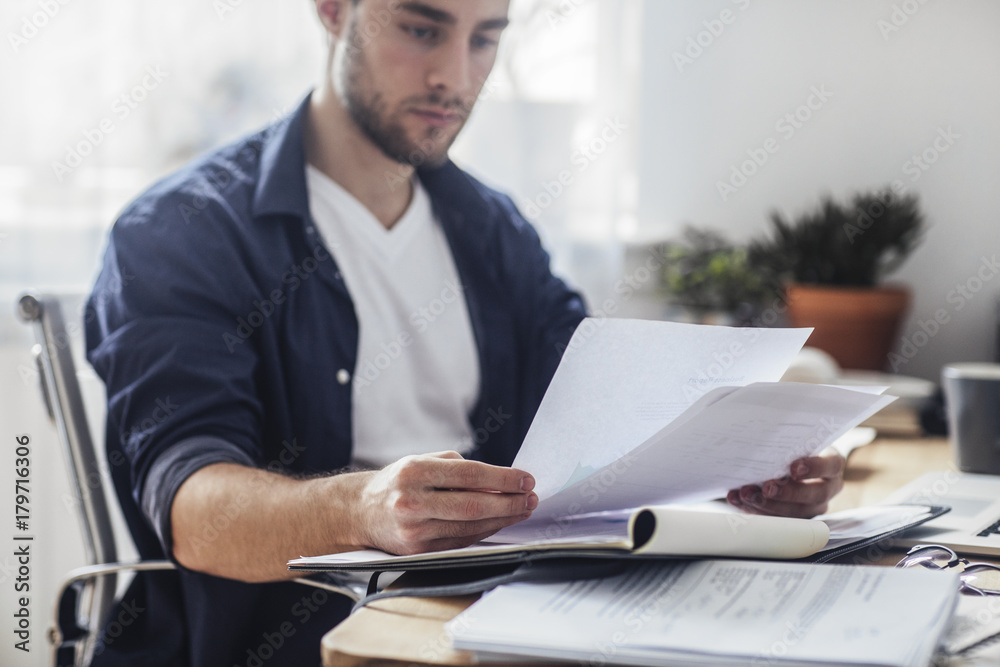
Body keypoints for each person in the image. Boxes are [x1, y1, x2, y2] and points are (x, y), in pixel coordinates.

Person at [84, 1, 846, 665]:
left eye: (485, 38)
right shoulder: (183, 234)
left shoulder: (492, 228)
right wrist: (365, 509)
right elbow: (196, 514)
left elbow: (605, 405)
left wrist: (748, 463)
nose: (455, 77)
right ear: (330, 9)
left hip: (501, 617)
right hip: (314, 641)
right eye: (422, 28)